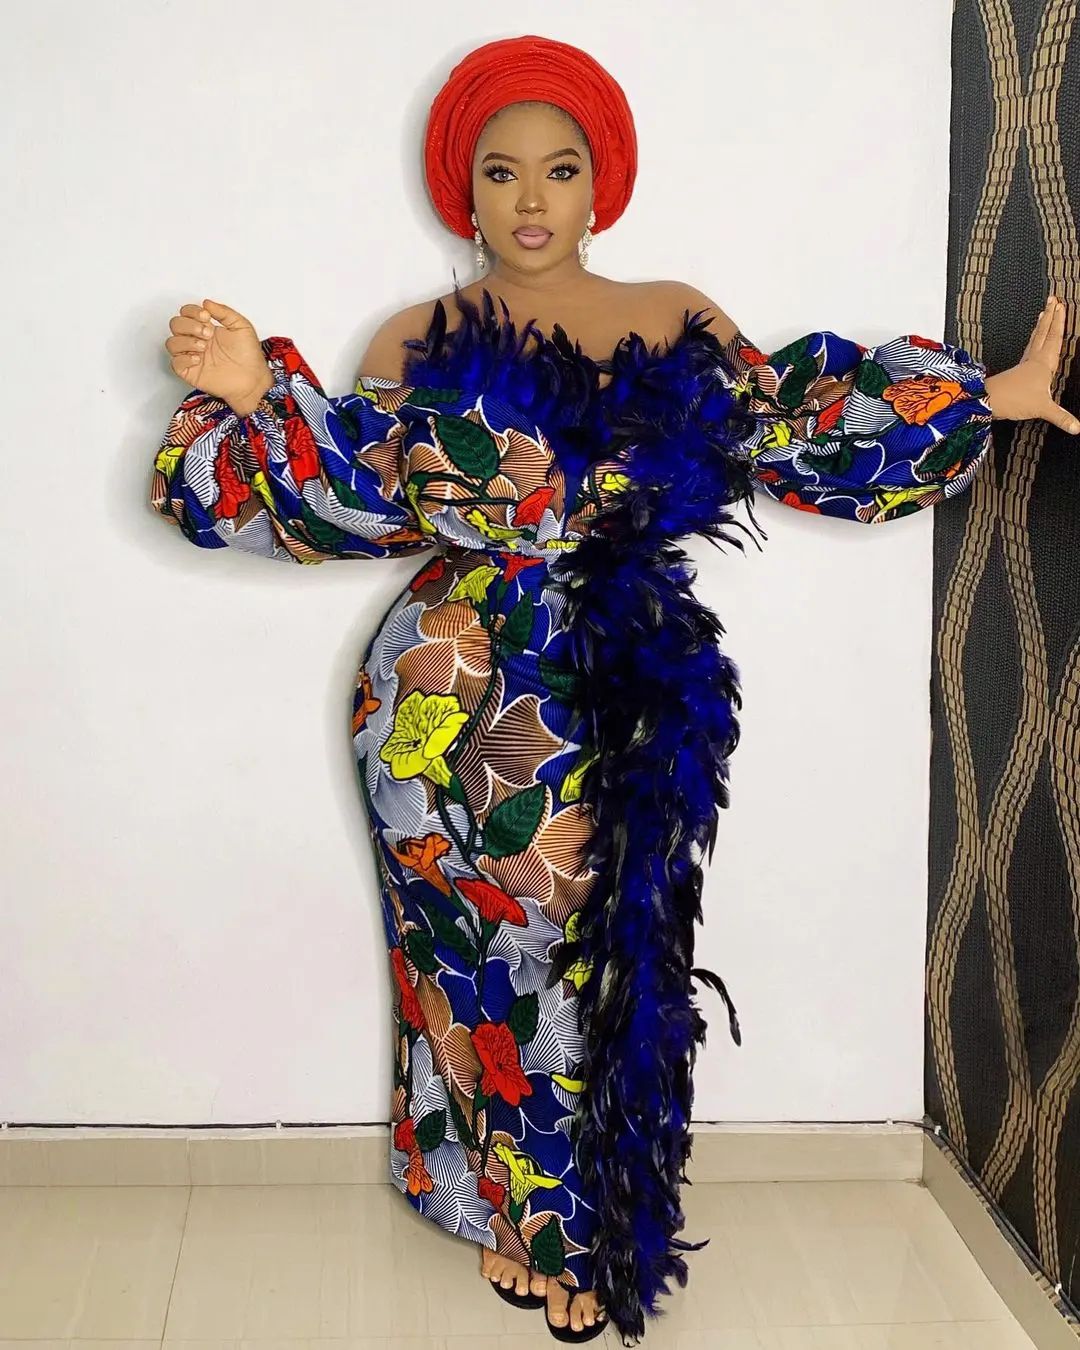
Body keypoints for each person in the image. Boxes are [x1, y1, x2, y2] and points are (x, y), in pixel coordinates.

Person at [149, 33, 1077, 1347]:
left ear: (602, 186)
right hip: (445, 691)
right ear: (464, 192)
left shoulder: (673, 315)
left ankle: (578, 1215)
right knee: (477, 960)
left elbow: (794, 429)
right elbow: (347, 494)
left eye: (561, 168)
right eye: (502, 171)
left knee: (610, 946)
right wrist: (255, 391)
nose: (532, 197)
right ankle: (530, 1221)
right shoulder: (417, 338)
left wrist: (989, 394)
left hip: (628, 669)